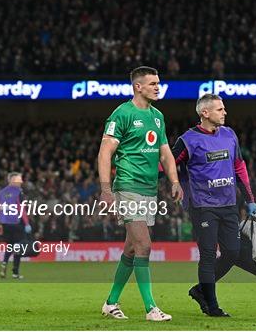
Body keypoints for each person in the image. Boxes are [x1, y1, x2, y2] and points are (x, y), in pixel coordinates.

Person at [98, 66, 183, 321]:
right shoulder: (122, 113)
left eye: (158, 82)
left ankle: (111, 302)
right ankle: (151, 309)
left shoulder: (157, 116)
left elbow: (165, 152)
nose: (158, 87)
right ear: (138, 86)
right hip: (127, 187)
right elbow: (105, 152)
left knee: (133, 249)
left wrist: (175, 180)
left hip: (148, 190)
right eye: (152, 83)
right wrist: (105, 190)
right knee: (144, 245)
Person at [172, 93, 256, 317]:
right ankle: (212, 306)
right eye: (220, 109)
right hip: (202, 206)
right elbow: (168, 164)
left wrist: (250, 199)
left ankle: (200, 290)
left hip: (229, 204)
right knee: (208, 255)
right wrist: (175, 183)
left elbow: (239, 167)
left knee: (232, 252)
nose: (225, 112)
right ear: (205, 113)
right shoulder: (188, 140)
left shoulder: (229, 135)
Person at [0, 172, 32, 279]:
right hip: (17, 222)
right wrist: (27, 223)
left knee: (10, 245)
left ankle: (4, 263)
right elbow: (21, 209)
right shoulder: (18, 192)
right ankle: (15, 273)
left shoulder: (1, 193)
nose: (21, 182)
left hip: (5, 223)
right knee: (18, 247)